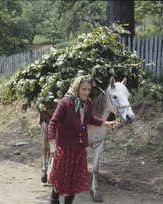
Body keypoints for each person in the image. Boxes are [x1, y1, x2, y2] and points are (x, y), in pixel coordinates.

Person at [47, 76, 119, 204]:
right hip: (64, 147)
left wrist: (106, 123)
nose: (86, 92)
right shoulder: (65, 103)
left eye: (88, 89)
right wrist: (52, 144)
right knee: (61, 176)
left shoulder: (88, 103)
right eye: (83, 89)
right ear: (76, 88)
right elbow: (53, 123)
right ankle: (54, 199)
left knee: (74, 180)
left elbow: (90, 119)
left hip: (79, 148)